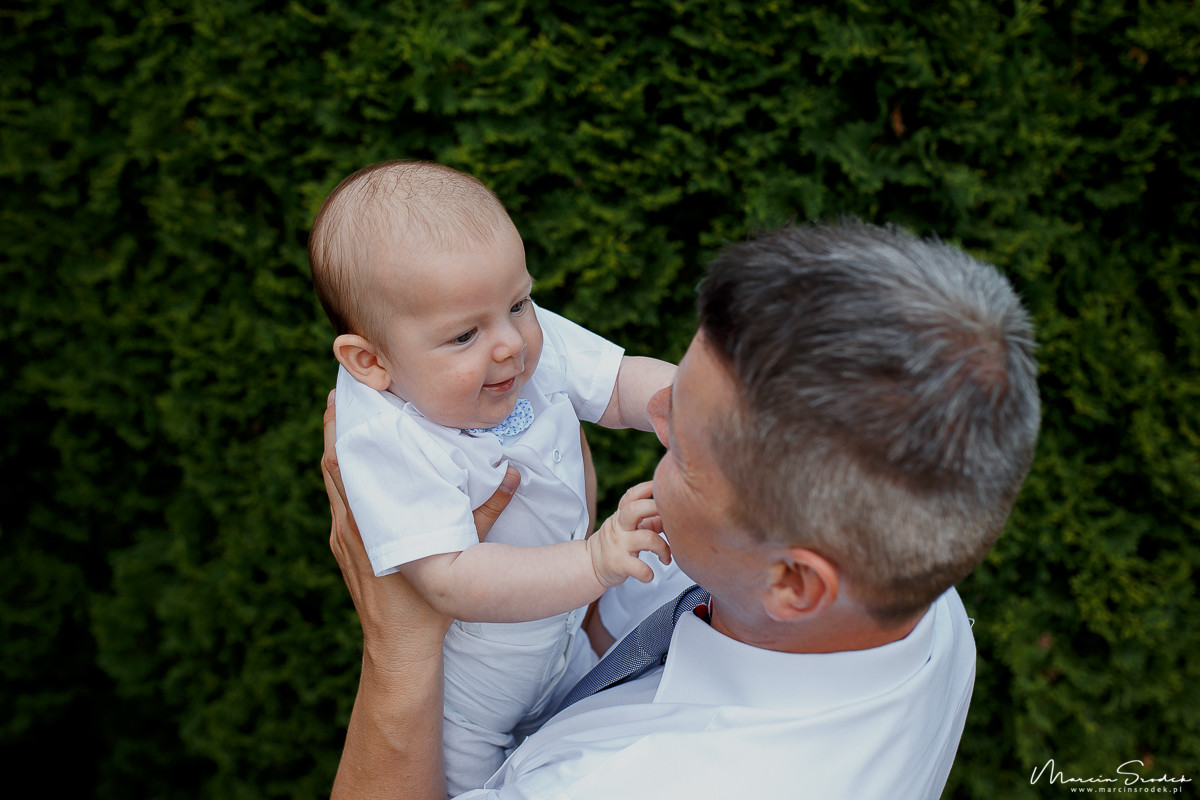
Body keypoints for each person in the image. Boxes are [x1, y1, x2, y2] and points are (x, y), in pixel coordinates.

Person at [321, 220, 1041, 799]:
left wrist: (399, 652)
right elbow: (614, 630)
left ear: (795, 582)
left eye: (683, 453)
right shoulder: (906, 594)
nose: (654, 423)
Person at [308, 160, 676, 794]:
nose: (511, 344)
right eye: (463, 336)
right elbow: (450, 578)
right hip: (471, 705)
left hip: (564, 643)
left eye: (519, 303)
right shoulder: (381, 439)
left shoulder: (507, 334)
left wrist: (690, 403)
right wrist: (594, 561)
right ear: (370, 361)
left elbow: (618, 385)